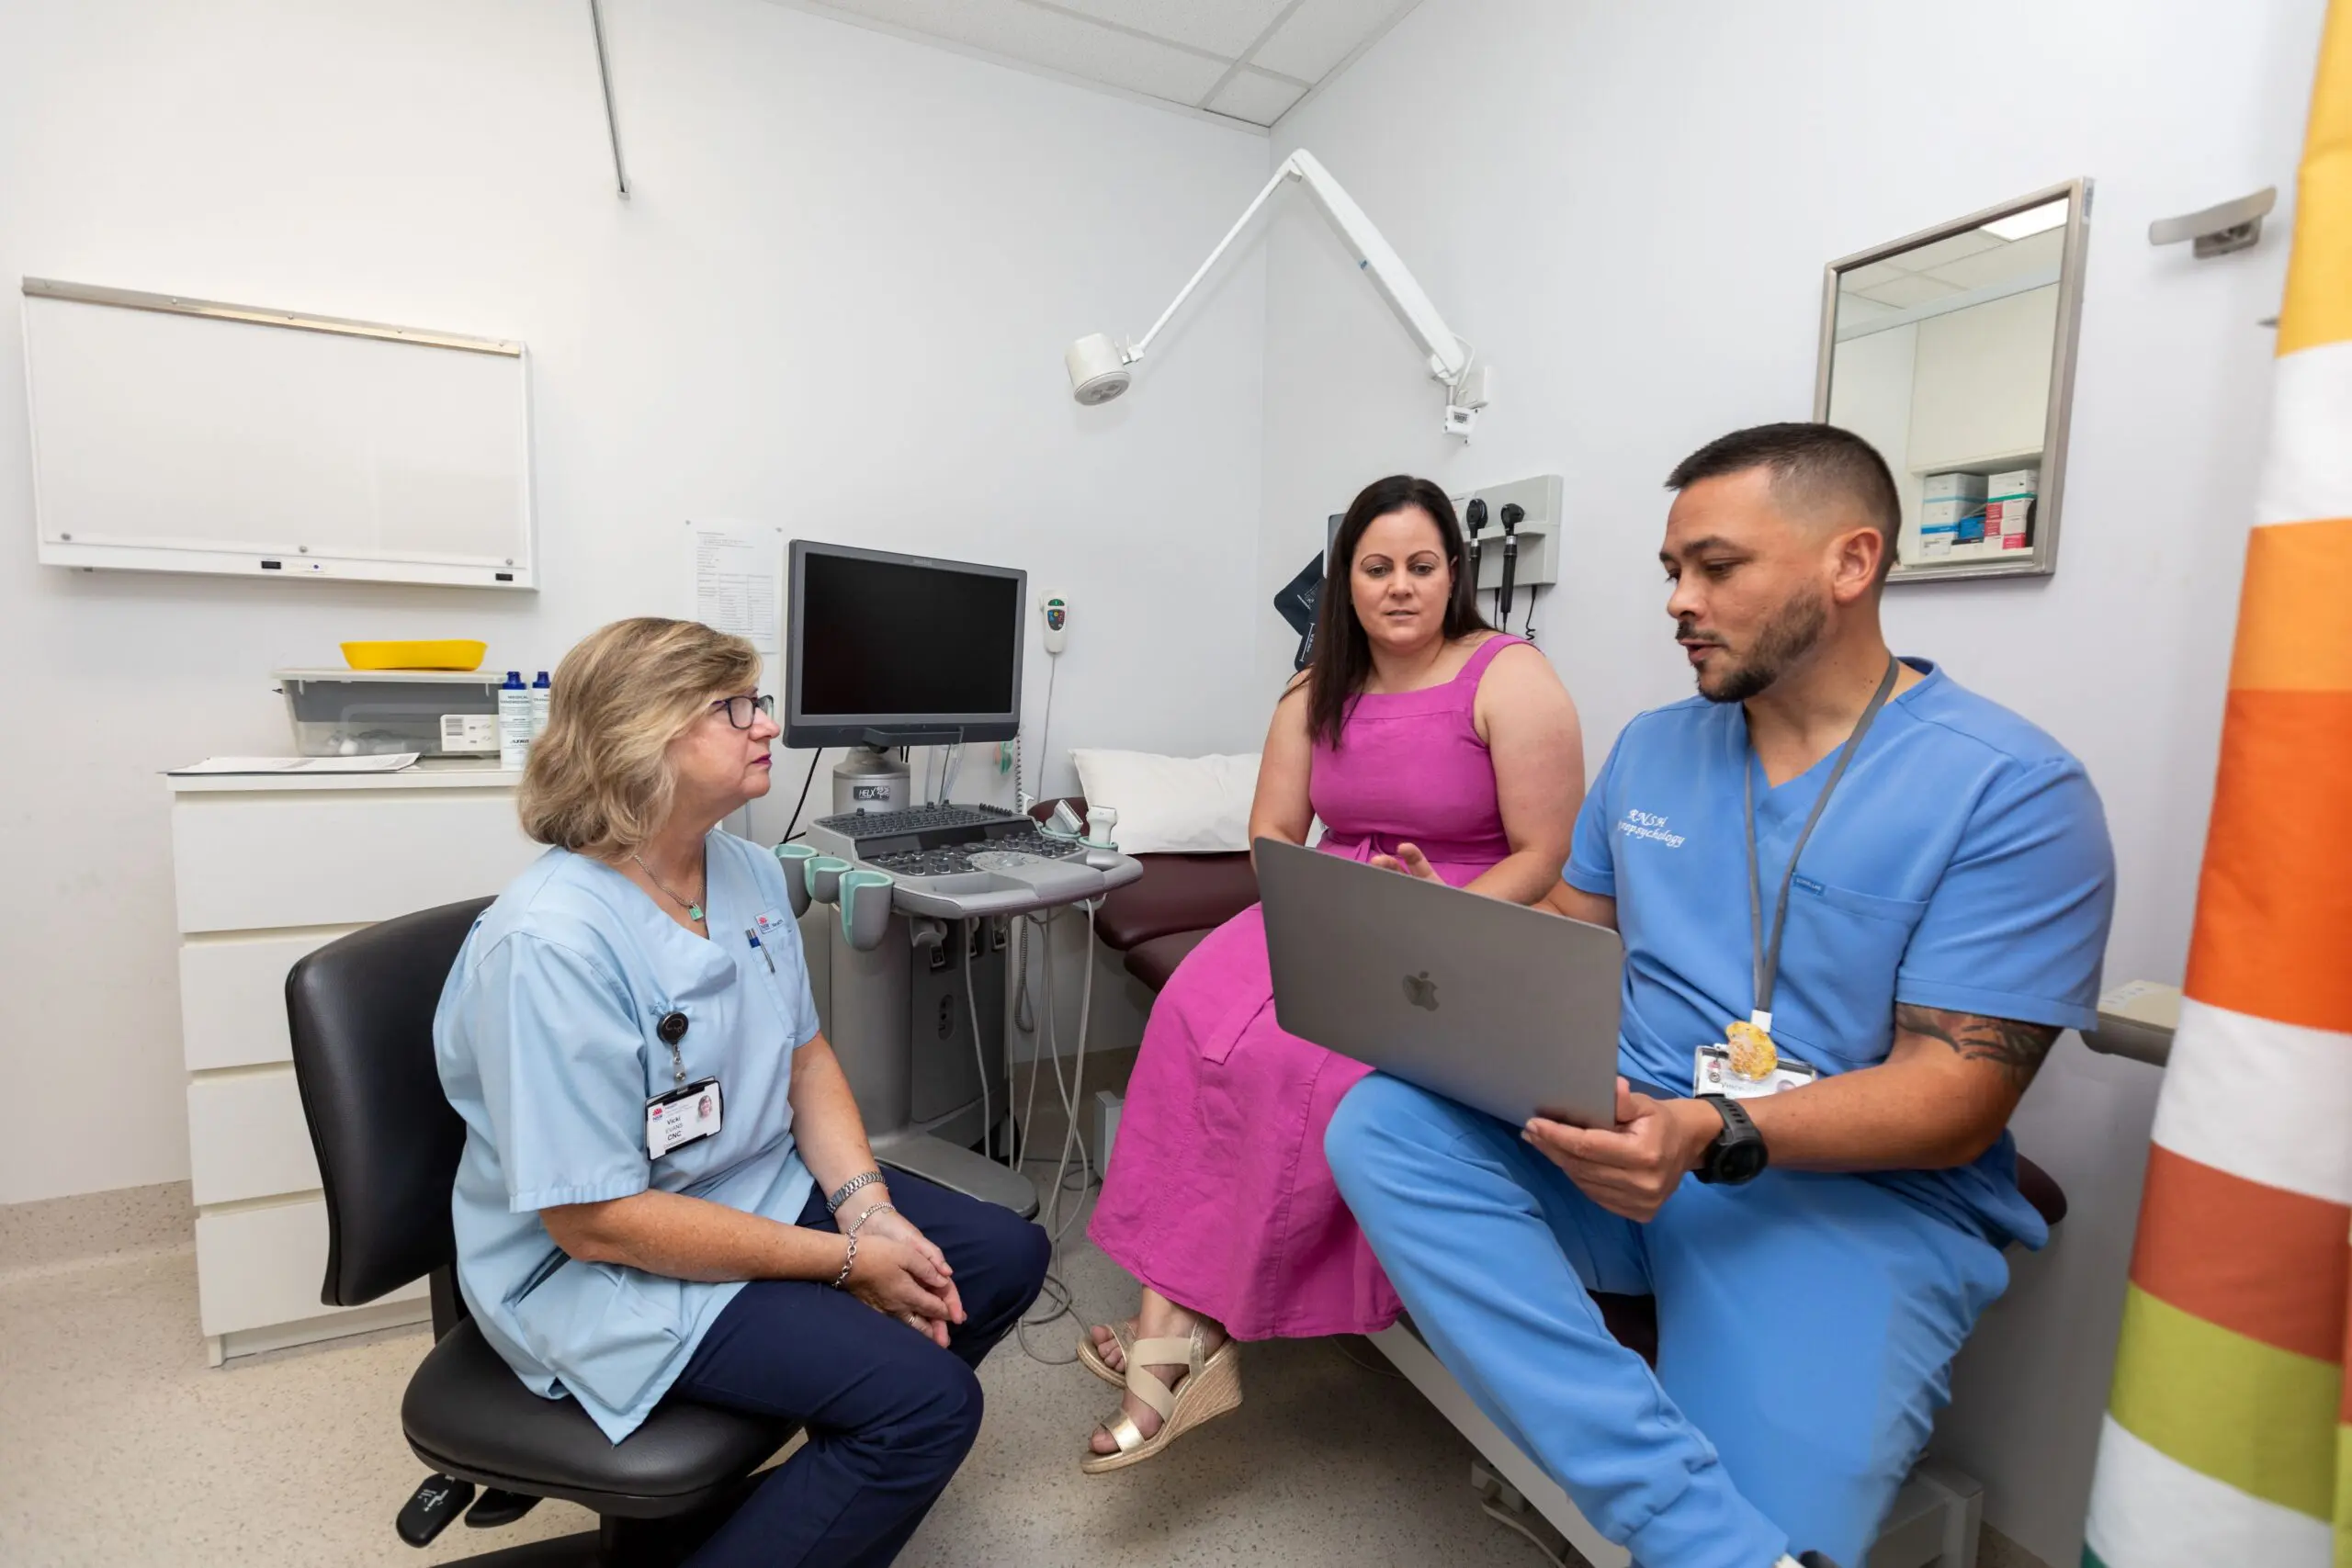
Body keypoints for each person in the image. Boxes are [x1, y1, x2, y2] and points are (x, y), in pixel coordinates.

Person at [1326, 423, 2115, 1568]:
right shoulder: (1654, 751)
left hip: (1844, 1199)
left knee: (1769, 1507)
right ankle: (1696, 1530)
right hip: (1623, 1140)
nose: (1678, 601)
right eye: (1670, 573)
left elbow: (1959, 1096)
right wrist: (1443, 921)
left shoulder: (2010, 792)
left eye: (1716, 566)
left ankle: (1706, 1535)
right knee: (1382, 1123)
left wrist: (1711, 1130)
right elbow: (1577, 931)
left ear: (1850, 564)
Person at [435, 616, 1049, 1568]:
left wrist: (868, 1209)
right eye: (736, 708)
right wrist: (843, 1263)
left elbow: (804, 1058)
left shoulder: (748, 869)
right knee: (925, 1408)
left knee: (1004, 1254)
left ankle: (819, 1488)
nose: (768, 725)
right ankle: (859, 1451)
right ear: (643, 737)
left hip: (746, 1185)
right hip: (604, 1265)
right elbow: (593, 1222)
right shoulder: (550, 944)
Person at [1080, 475, 1586, 1471]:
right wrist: (1327, 906)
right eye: (1376, 567)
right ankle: (1178, 1319)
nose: (1400, 587)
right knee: (1192, 1015)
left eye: (1421, 566)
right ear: (1344, 583)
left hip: (1463, 911)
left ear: (1456, 574)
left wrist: (1432, 915)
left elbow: (1544, 854)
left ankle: (1179, 1339)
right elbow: (1273, 834)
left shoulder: (1508, 676)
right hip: (1331, 904)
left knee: (1290, 1058)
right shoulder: (1316, 693)